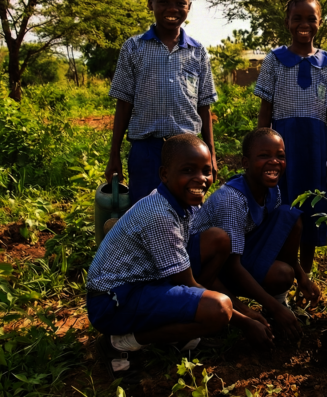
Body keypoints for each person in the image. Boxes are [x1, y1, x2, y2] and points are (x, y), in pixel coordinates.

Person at [87, 134, 239, 361]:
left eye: (206, 171)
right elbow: (187, 282)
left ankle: (185, 326)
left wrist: (244, 312)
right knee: (219, 309)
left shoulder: (184, 202)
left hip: (145, 283)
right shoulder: (159, 215)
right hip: (113, 302)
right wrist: (245, 321)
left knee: (217, 239)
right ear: (165, 174)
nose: (200, 179)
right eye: (188, 170)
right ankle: (122, 342)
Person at [193, 128, 320, 339]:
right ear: (246, 162)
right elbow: (231, 265)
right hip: (211, 268)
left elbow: (277, 234)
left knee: (289, 217)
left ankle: (278, 300)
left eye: (280, 156)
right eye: (264, 156)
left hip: (242, 251)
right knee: (281, 274)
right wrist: (268, 309)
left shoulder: (271, 189)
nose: (274, 162)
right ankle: (250, 307)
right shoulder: (232, 200)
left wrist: (302, 277)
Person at [105, 0, 217, 203]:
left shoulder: (197, 52)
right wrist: (114, 154)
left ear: (189, 7)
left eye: (180, 3)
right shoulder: (133, 48)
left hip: (188, 150)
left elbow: (204, 107)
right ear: (151, 4)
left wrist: (212, 154)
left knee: (187, 212)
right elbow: (123, 104)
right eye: (163, 1)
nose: (172, 9)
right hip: (145, 151)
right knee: (144, 211)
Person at [255, 0, 327, 279]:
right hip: (283, 144)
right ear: (287, 22)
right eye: (297, 18)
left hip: (316, 147)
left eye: (310, 19)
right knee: (284, 203)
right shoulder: (274, 60)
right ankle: (283, 272)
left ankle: (305, 272)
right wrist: (259, 150)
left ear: (320, 22)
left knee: (312, 206)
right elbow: (265, 110)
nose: (304, 24)